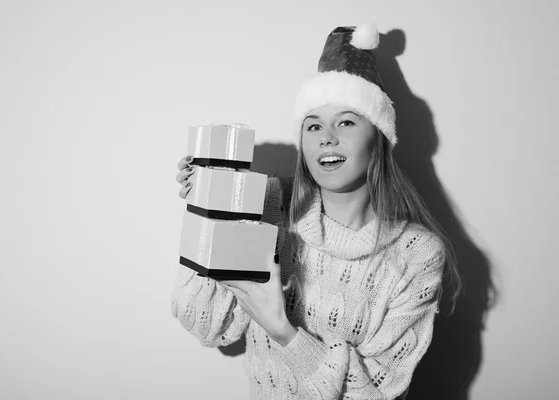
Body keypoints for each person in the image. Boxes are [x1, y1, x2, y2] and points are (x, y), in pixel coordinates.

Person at [172, 22, 461, 400]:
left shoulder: (417, 254)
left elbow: (378, 393)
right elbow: (208, 327)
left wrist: (283, 332)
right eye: (313, 125)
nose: (326, 136)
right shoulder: (272, 207)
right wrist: (211, 209)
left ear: (378, 139)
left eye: (345, 122)